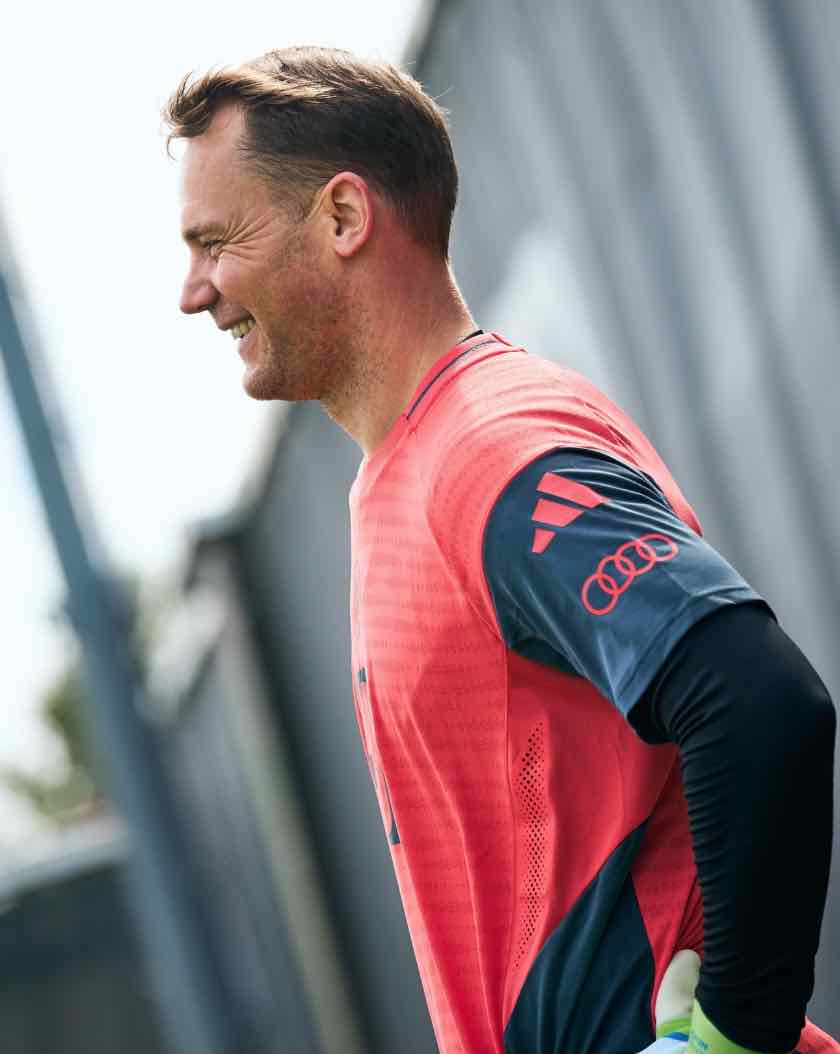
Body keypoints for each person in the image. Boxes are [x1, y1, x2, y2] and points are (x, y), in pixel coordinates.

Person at [165, 46, 838, 1054]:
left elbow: (761, 700)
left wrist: (732, 1038)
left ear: (343, 218)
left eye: (216, 241)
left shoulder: (488, 448)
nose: (194, 290)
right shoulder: (404, 473)